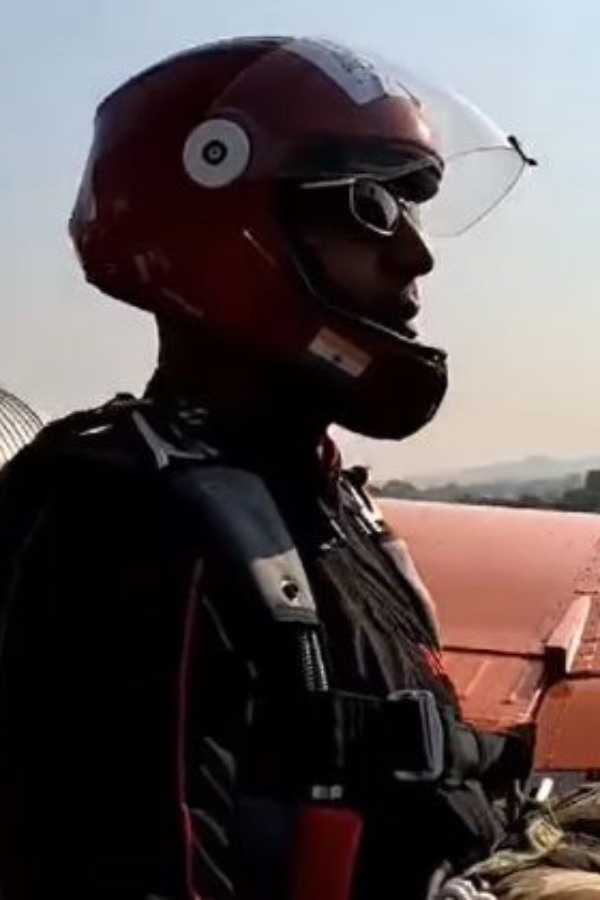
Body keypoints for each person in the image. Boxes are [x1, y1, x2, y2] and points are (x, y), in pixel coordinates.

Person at [0, 36, 538, 900]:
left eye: (411, 208)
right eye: (367, 205)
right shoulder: (123, 521)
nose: (415, 254)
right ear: (227, 235)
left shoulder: (333, 512)